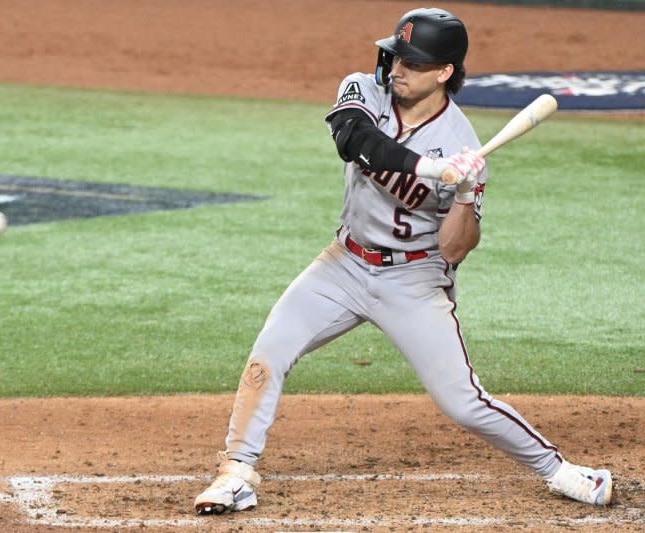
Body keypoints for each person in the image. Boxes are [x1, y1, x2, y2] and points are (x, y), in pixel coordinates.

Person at [194, 7, 613, 514]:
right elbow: (353, 140)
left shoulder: (462, 143)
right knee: (270, 349)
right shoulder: (364, 91)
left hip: (414, 279)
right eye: (396, 56)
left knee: (463, 402)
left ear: (444, 73)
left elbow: (456, 248)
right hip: (342, 264)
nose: (397, 69)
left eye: (412, 63)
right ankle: (235, 473)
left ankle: (561, 471)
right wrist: (431, 168)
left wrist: (464, 192)